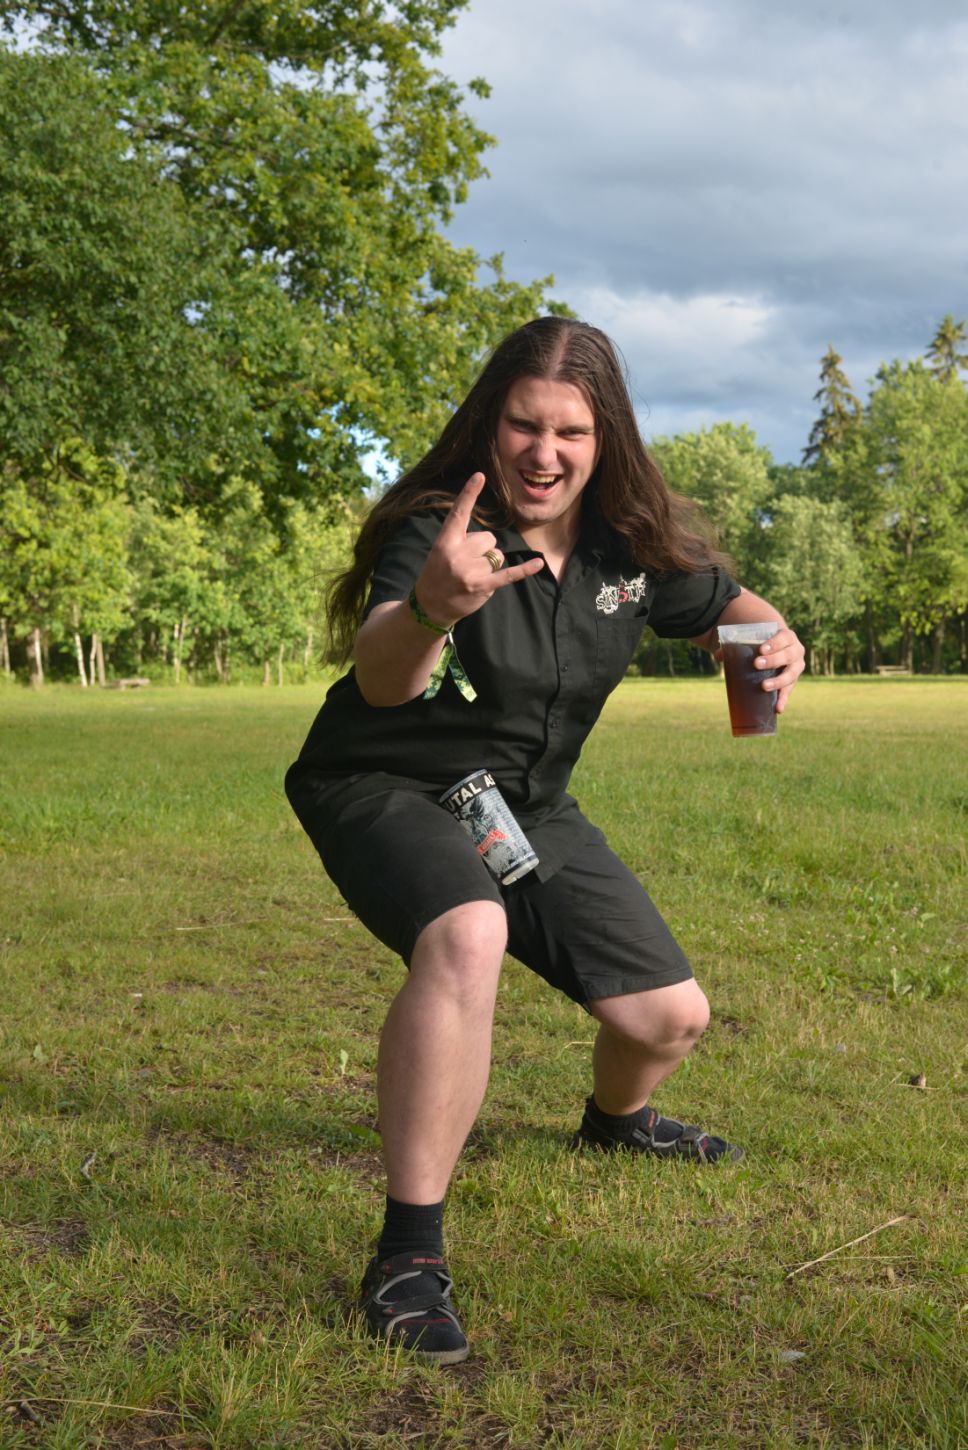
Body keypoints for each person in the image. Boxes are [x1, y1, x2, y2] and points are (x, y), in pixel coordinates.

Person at [286, 317, 805, 1366]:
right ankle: (406, 1257)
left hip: (520, 805)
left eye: (570, 431)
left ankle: (617, 1122)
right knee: (467, 931)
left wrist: (770, 634)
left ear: (604, 440)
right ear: (493, 424)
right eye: (524, 424)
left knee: (669, 1019)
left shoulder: (627, 550)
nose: (543, 452)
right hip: (384, 781)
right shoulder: (442, 531)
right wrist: (431, 608)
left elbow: (722, 600)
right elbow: (383, 678)